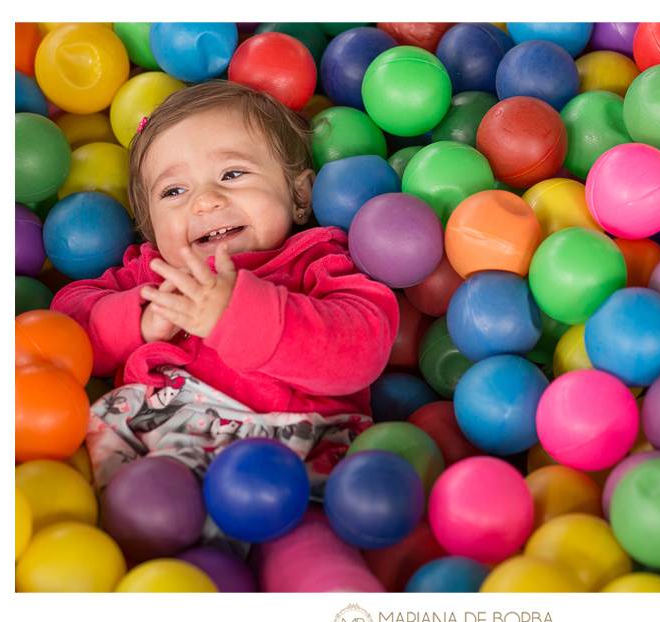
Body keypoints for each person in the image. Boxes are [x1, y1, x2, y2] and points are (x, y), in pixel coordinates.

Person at [51, 81, 400, 505]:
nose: (205, 201)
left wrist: (238, 315)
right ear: (150, 228)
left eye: (232, 174)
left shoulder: (317, 260)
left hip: (291, 459)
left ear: (300, 194)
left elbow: (362, 345)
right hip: (157, 462)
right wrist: (138, 319)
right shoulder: (154, 275)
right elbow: (62, 328)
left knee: (313, 554)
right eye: (173, 191)